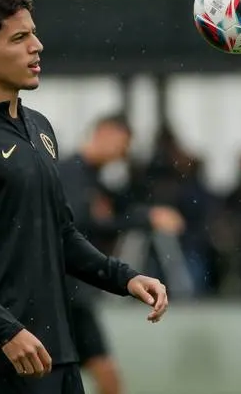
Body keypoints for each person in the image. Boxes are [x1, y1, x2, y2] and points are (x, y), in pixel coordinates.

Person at [0, 0, 168, 394]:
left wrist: (125, 277)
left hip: (59, 357)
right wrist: (4, 330)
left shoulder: (40, 128)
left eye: (33, 33)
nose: (37, 46)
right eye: (20, 38)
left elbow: (61, 233)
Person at [58, 115, 184, 394]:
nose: (123, 154)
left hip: (75, 292)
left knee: (104, 376)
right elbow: (79, 225)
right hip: (65, 293)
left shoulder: (92, 178)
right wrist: (146, 219)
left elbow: (114, 213)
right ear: (104, 133)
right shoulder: (71, 172)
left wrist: (148, 215)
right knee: (102, 376)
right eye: (123, 143)